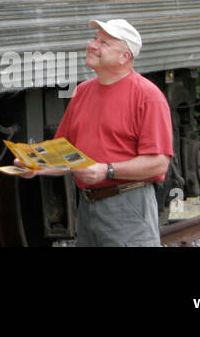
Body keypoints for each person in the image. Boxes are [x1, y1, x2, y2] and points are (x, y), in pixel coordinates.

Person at [19, 19, 173, 246]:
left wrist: (107, 170)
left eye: (105, 43)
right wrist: (34, 164)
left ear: (124, 57)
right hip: (88, 207)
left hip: (128, 203)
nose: (92, 45)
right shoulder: (82, 92)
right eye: (94, 39)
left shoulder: (148, 96)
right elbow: (64, 153)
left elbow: (159, 164)